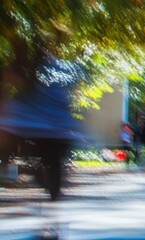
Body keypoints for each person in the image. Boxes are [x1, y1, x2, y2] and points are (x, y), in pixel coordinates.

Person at [0, 22, 83, 201]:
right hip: (55, 128)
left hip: (42, 128)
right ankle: (51, 186)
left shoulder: (42, 73)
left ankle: (47, 182)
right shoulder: (55, 71)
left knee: (43, 158)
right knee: (52, 160)